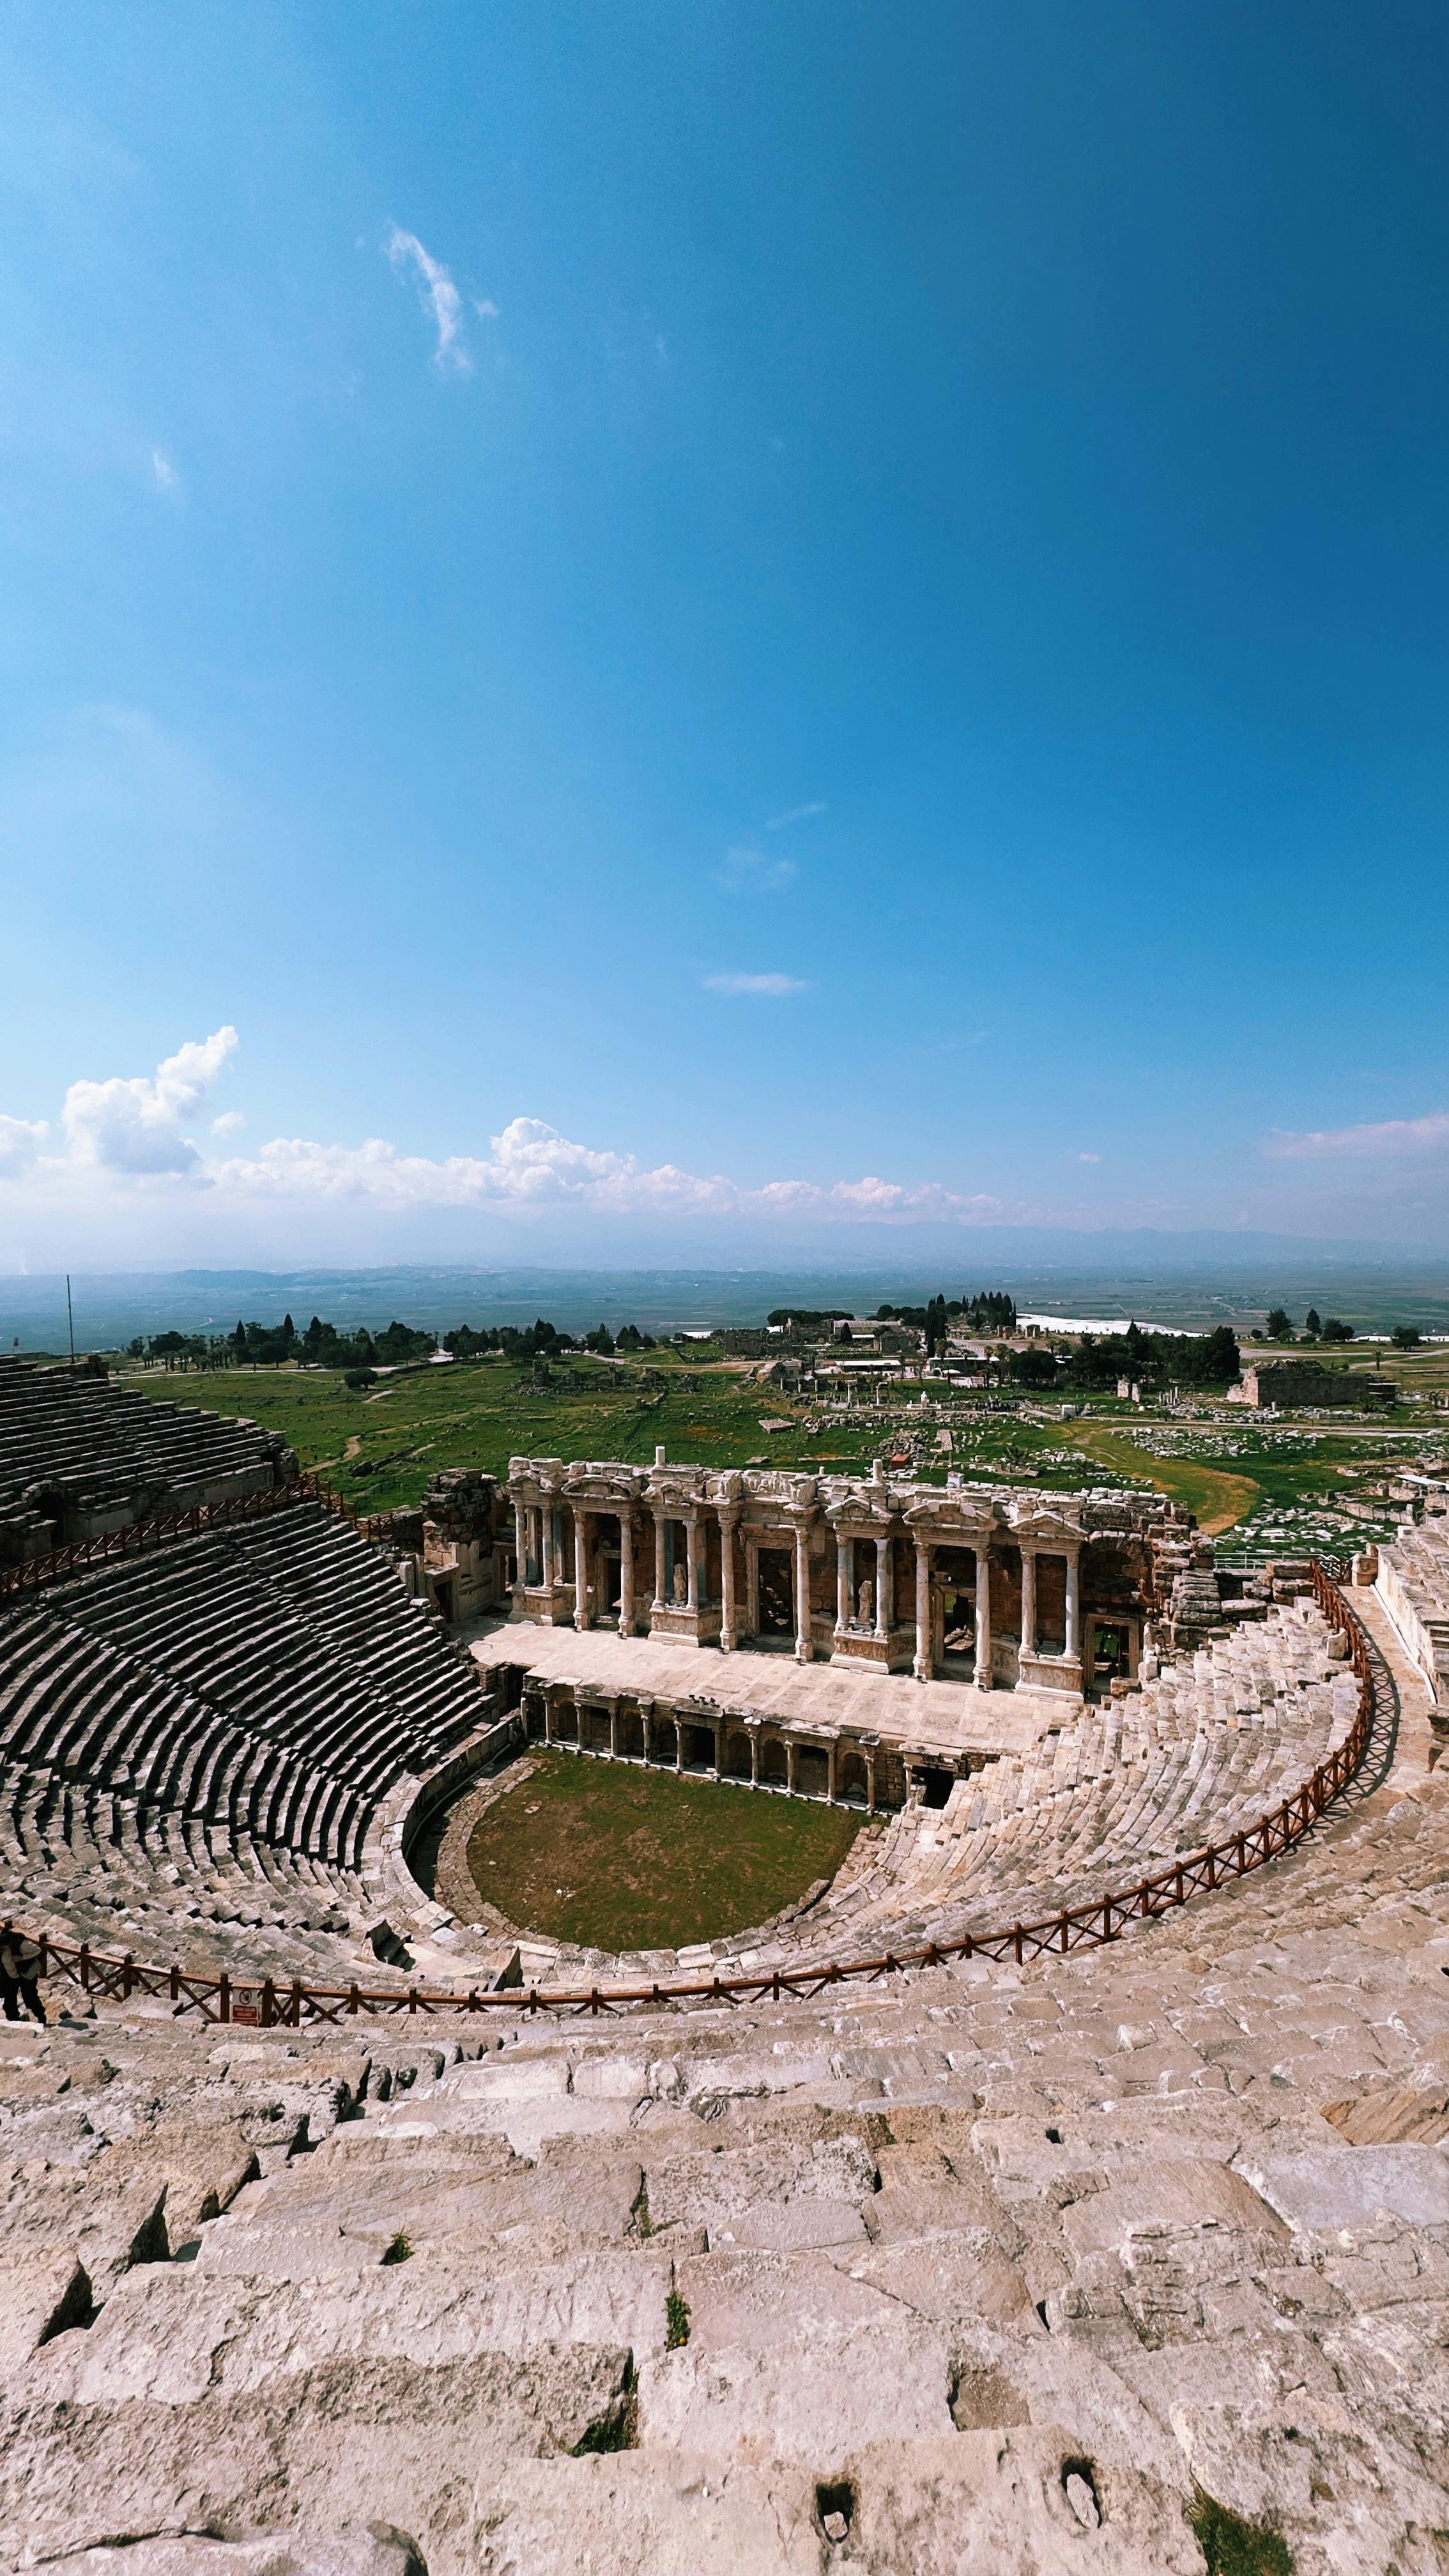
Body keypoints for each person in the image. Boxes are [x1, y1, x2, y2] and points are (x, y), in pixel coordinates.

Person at [0, 1929, 47, 2025]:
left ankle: (41, 2018)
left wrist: (21, 1958)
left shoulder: (23, 1944)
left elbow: (38, 1950)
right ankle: (13, 2020)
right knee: (10, 1998)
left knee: (30, 1997)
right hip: (12, 1975)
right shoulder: (3, 1949)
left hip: (28, 1972)